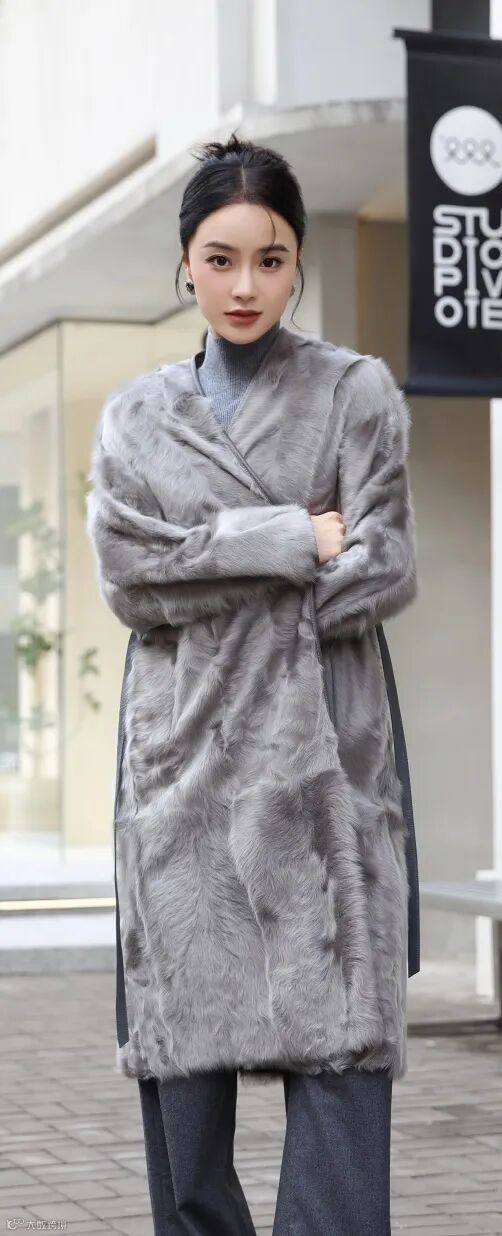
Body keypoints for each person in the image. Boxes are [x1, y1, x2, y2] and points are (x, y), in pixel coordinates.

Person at [86, 131, 419, 1236]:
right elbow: (129, 578)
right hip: (178, 779)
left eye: (270, 260)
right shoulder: (136, 418)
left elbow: (377, 568)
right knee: (185, 1117)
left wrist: (203, 570)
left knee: (340, 1077)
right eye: (221, 259)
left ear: (296, 265)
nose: (244, 286)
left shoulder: (353, 393)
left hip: (321, 783)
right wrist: (284, 537)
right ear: (185, 262)